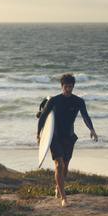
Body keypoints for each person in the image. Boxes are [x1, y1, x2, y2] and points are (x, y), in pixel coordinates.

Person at [37, 73, 98, 207]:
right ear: (62, 86)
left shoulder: (78, 101)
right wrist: (39, 134)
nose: (68, 89)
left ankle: (58, 187)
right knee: (59, 164)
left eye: (70, 87)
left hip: (68, 136)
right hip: (55, 136)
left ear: (73, 86)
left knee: (65, 167)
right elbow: (43, 117)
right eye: (66, 87)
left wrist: (92, 129)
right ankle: (64, 198)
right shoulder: (54, 100)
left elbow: (85, 116)